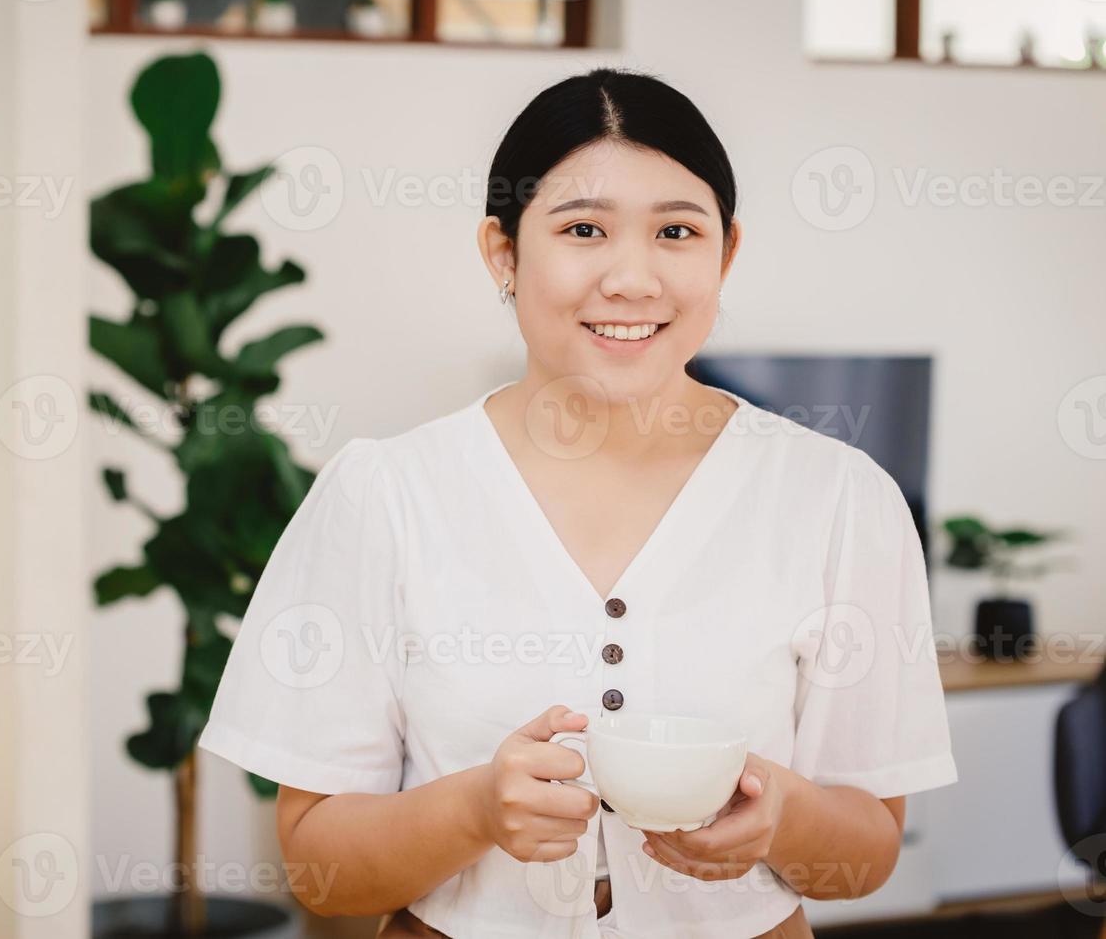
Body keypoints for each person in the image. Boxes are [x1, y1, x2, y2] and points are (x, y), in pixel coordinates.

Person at [197, 67, 958, 938]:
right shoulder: (383, 496)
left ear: (726, 252)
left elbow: (864, 858)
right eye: (584, 229)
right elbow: (319, 869)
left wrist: (780, 813)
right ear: (503, 253)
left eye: (677, 230)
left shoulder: (840, 499)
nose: (633, 279)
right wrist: (476, 811)